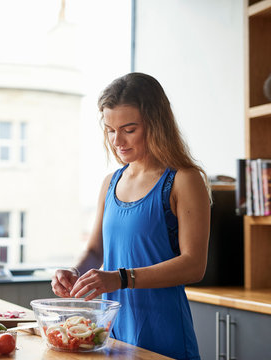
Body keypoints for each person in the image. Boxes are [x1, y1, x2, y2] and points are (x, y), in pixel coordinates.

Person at [51, 72, 211, 360]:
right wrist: (75, 272)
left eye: (129, 129)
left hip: (165, 335)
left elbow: (194, 265)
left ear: (155, 124)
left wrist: (120, 278)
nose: (117, 141)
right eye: (110, 130)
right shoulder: (111, 182)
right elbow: (95, 250)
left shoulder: (184, 180)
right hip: (114, 336)